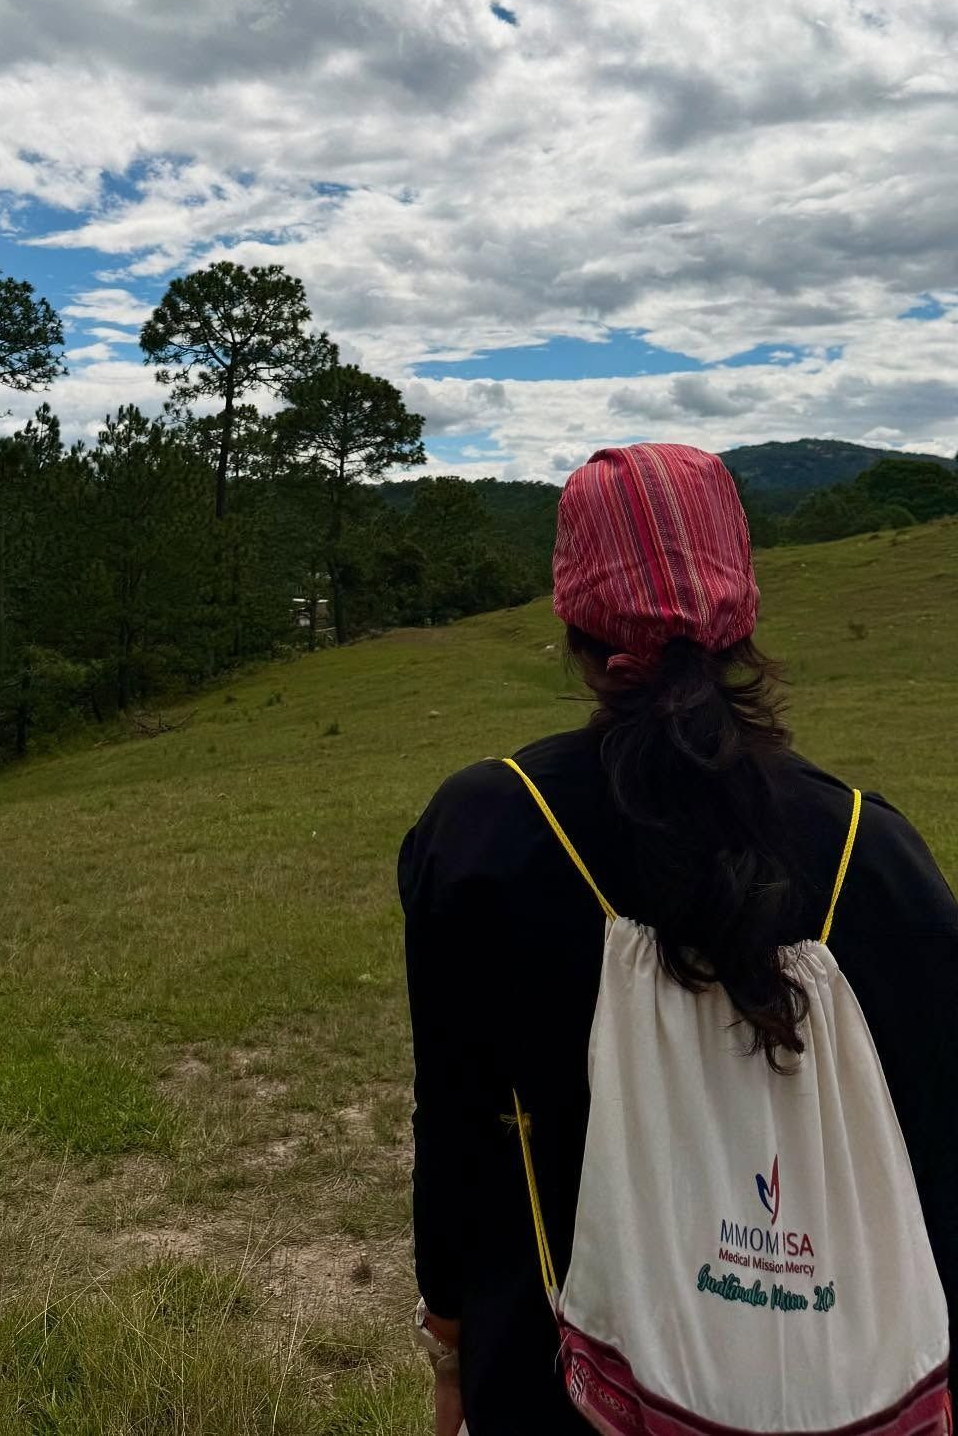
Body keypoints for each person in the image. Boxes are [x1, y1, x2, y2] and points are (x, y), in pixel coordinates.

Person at [398, 442, 958, 1435]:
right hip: (849, 1383)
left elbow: (458, 1133)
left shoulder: (485, 830)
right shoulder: (875, 850)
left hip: (556, 1380)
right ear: (742, 610)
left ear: (572, 613)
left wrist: (451, 1342)